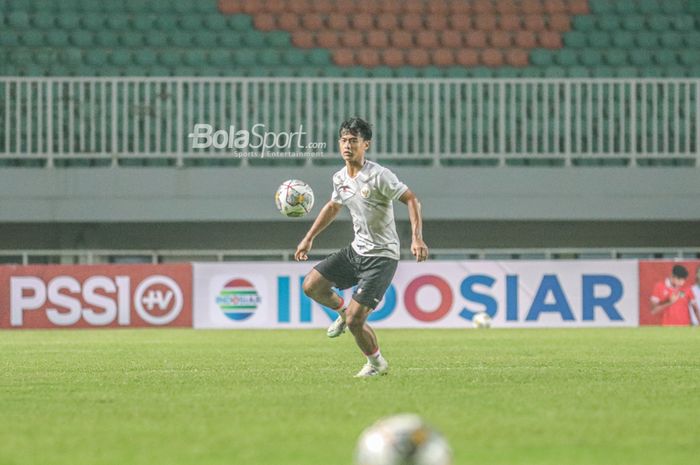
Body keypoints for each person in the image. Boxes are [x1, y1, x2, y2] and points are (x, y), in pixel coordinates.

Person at [294, 117, 428, 378]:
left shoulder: (379, 176)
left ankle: (377, 364)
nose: (347, 146)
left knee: (358, 321)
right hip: (357, 251)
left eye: (353, 141)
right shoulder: (340, 177)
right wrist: (309, 237)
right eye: (344, 140)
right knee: (311, 285)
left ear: (365, 145)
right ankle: (342, 312)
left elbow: (411, 199)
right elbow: (333, 206)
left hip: (381, 257)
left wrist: (416, 237)